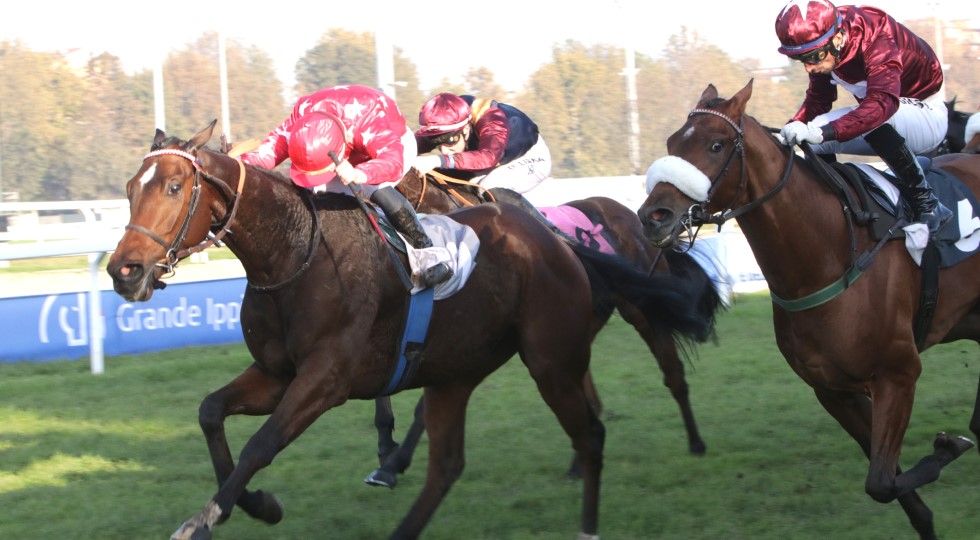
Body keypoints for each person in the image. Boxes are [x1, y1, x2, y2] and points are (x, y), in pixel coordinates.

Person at [240, 85, 452, 287]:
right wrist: (236, 163)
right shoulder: (300, 119)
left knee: (375, 188)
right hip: (342, 147)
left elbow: (393, 163)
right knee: (310, 194)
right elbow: (266, 154)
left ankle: (428, 253)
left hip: (394, 145)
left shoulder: (369, 120)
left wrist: (359, 173)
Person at [774, 0, 952, 234]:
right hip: (887, 121)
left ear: (837, 38)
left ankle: (928, 203)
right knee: (812, 139)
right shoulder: (827, 43)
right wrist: (788, 132)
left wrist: (824, 132)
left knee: (870, 119)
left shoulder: (876, 37)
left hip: (927, 115)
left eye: (814, 56)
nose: (808, 67)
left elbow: (881, 105)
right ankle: (836, 208)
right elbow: (818, 101)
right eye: (801, 59)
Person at [412, 93, 560, 233]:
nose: (444, 150)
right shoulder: (444, 126)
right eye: (437, 144)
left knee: (488, 187)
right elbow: (407, 147)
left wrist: (437, 160)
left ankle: (553, 233)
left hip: (529, 158)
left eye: (450, 141)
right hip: (489, 161)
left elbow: (488, 157)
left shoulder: (492, 120)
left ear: (466, 129)